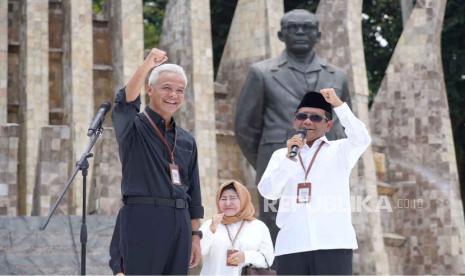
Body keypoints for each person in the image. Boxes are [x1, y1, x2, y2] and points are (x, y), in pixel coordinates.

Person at [235, 9, 351, 240]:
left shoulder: (337, 76)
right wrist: (268, 162)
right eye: (292, 27)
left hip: (325, 168)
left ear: (318, 35)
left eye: (307, 27)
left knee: (325, 231)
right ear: (280, 34)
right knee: (280, 233)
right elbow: (245, 127)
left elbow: (344, 122)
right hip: (280, 168)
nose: (300, 32)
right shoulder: (262, 73)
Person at [109, 48, 204, 275]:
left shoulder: (187, 140)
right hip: (143, 218)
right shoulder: (133, 127)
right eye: (167, 88)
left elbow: (194, 193)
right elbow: (125, 102)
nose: (174, 95)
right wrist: (147, 64)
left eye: (180, 90)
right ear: (149, 89)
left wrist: (195, 236)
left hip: (180, 222)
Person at [257, 89, 371, 275]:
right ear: (295, 121)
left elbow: (362, 139)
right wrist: (289, 160)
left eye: (316, 118)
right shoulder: (281, 155)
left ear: (328, 125)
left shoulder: (340, 150)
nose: (307, 121)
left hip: (333, 245)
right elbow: (268, 192)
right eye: (302, 116)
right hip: (291, 246)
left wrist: (339, 105)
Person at [199, 180, 274, 275]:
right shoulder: (210, 224)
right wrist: (211, 230)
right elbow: (199, 251)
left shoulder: (258, 226)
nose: (227, 203)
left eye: (233, 198)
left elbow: (268, 259)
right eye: (223, 199)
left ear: (243, 200)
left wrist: (246, 256)